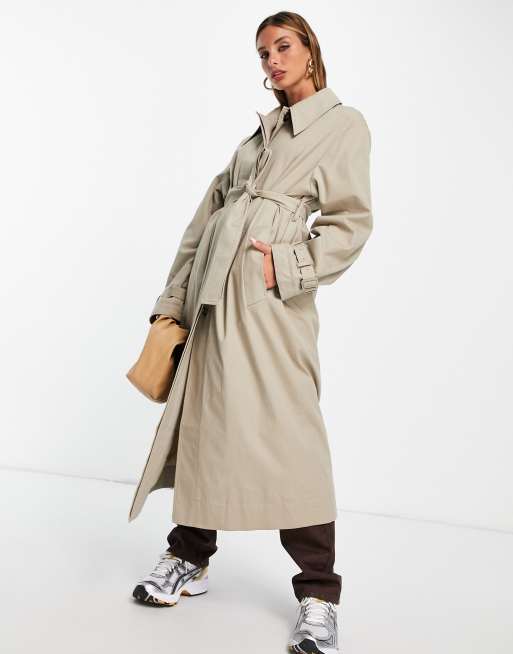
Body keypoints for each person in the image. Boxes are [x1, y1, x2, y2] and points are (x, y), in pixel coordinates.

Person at [130, 11, 373, 654]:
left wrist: (283, 267)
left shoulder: (341, 125)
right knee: (205, 425)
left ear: (310, 49)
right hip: (212, 304)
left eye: (283, 46)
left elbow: (350, 222)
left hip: (270, 309)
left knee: (290, 439)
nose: (273, 60)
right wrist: (172, 304)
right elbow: (201, 226)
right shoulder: (255, 139)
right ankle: (189, 556)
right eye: (263, 52)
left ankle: (319, 594)